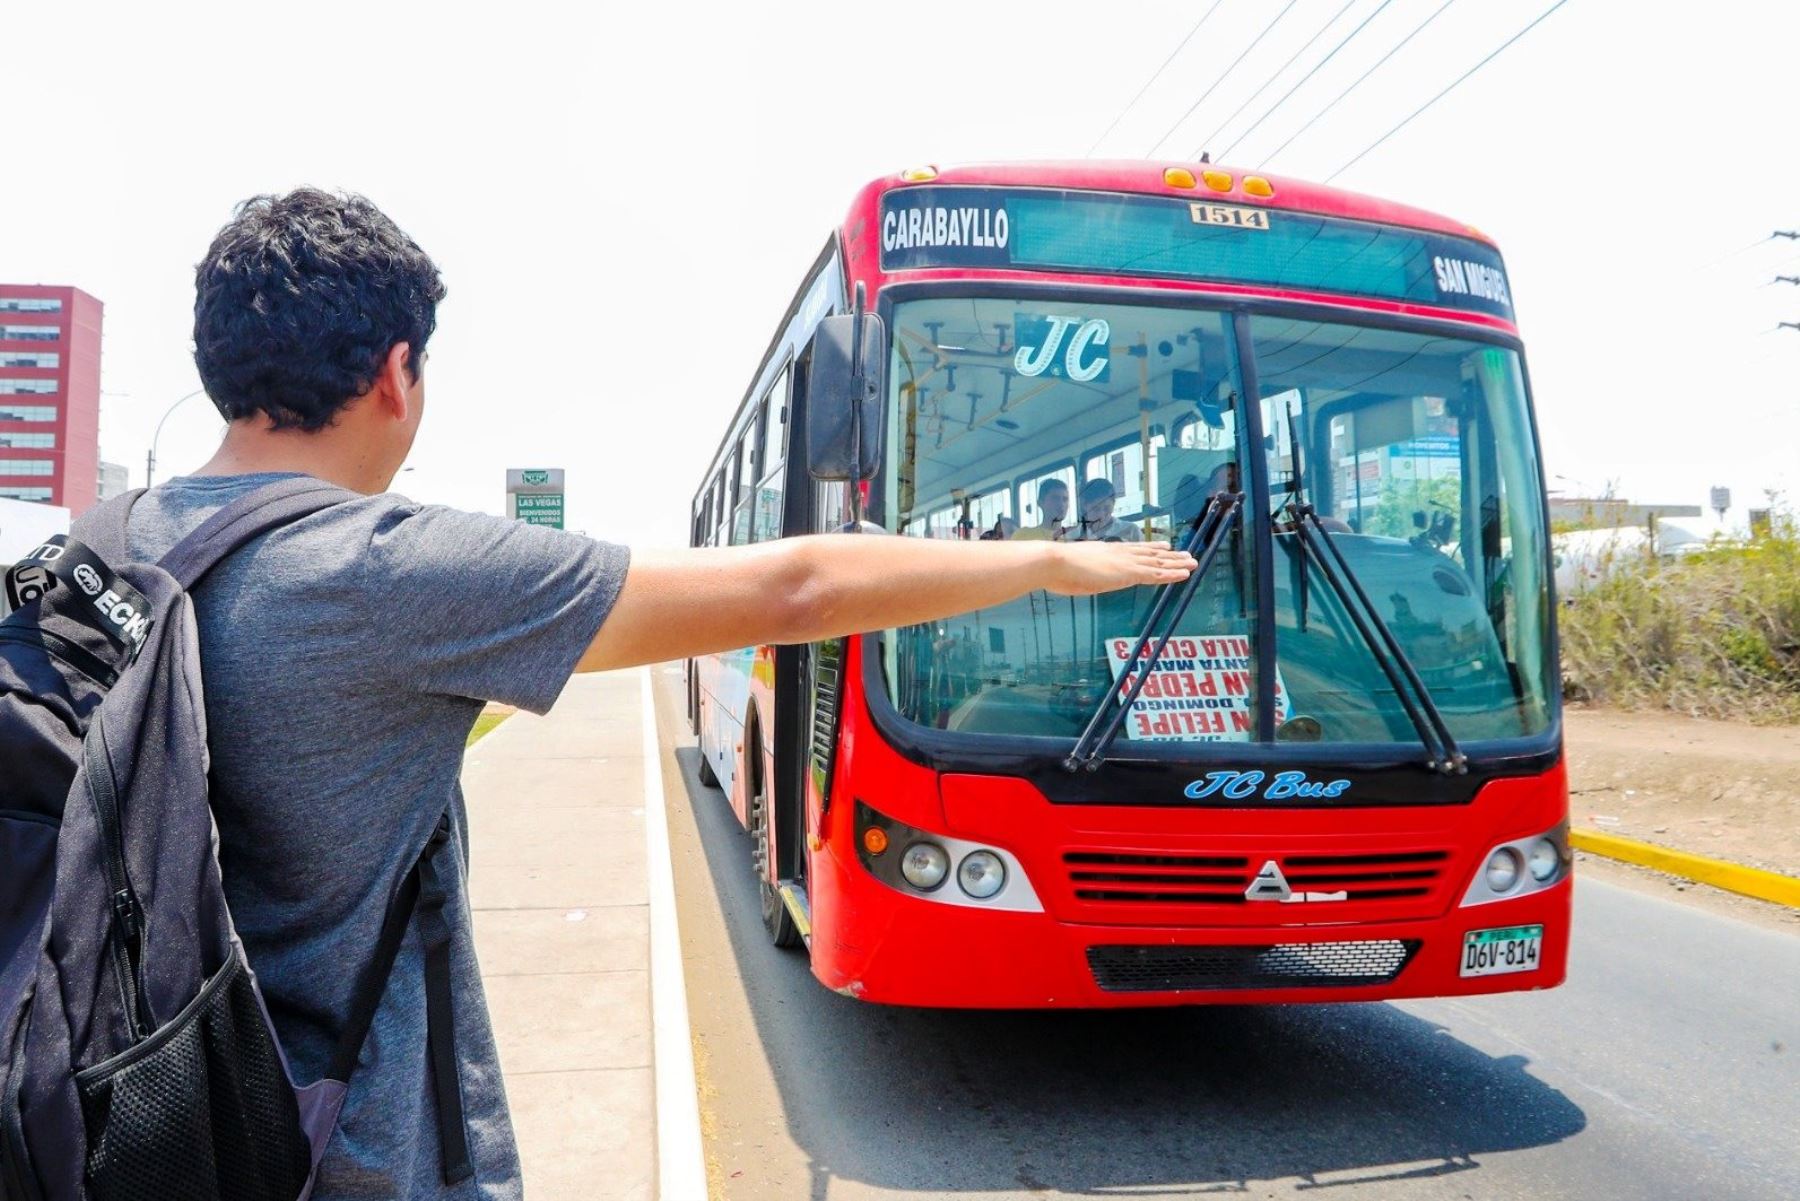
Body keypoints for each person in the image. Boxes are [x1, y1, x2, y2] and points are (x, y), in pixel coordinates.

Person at [101, 188, 1194, 1200]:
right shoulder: (387, 568)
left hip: (112, 1121)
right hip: (337, 1152)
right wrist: (1050, 563)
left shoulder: (90, 553)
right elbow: (797, 585)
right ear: (397, 374)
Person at [1070, 476, 1144, 542]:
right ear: (1085, 506)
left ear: (1114, 504)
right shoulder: (1072, 537)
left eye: (1107, 508)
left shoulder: (1131, 531)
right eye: (1095, 509)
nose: (1101, 515)